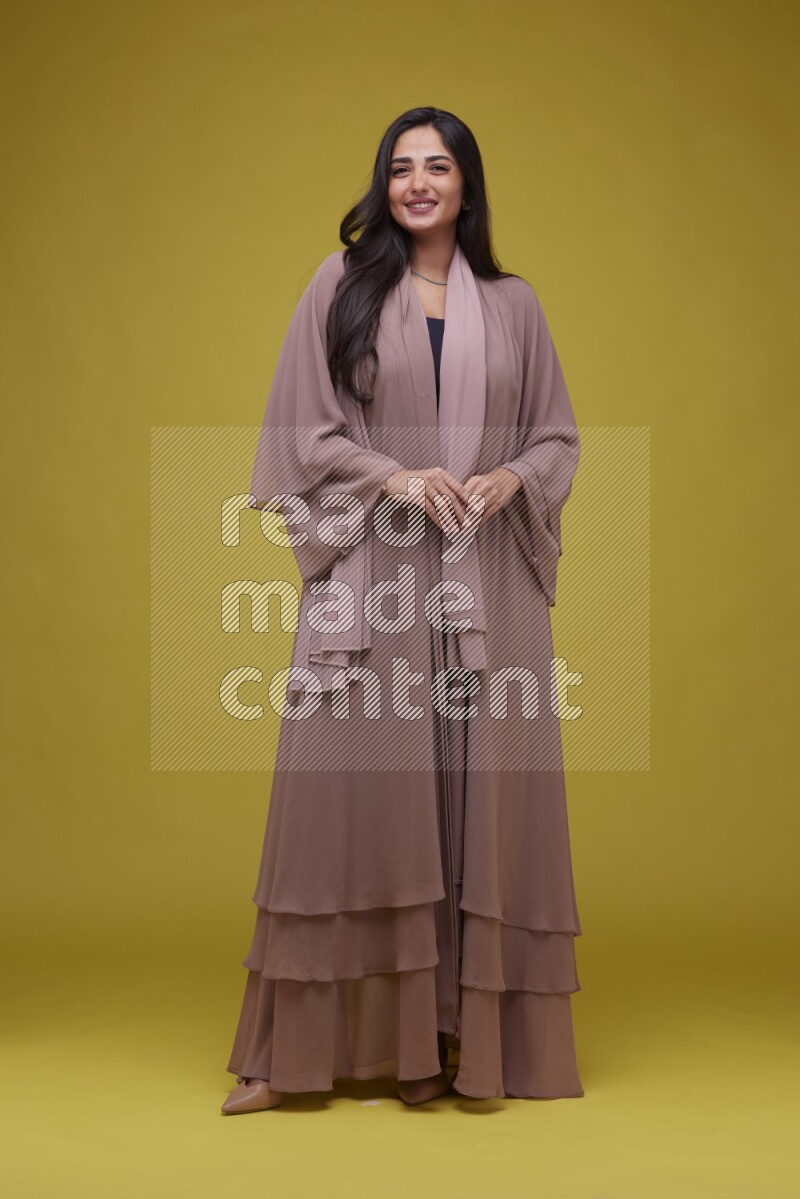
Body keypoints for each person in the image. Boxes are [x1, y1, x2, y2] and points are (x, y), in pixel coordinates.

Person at [221, 105, 584, 1113]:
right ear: (382, 184)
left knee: (479, 795)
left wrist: (511, 477)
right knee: (347, 797)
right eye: (398, 167)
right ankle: (286, 1054)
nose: (416, 182)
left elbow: (555, 436)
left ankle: (457, 1045)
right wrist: (396, 477)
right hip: (374, 565)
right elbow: (307, 431)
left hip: (482, 579)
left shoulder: (514, 306)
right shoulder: (338, 286)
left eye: (436, 166)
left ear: (467, 184)